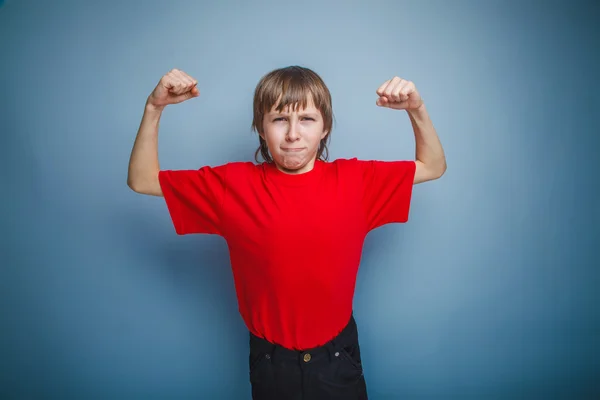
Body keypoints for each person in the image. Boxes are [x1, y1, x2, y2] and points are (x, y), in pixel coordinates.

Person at [127, 66, 446, 400]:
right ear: (261, 129)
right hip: (271, 362)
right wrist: (154, 108)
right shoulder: (231, 186)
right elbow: (142, 179)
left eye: (307, 119)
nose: (293, 134)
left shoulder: (357, 181)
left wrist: (416, 109)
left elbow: (433, 166)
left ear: (325, 127)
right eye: (279, 119)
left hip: (337, 357)